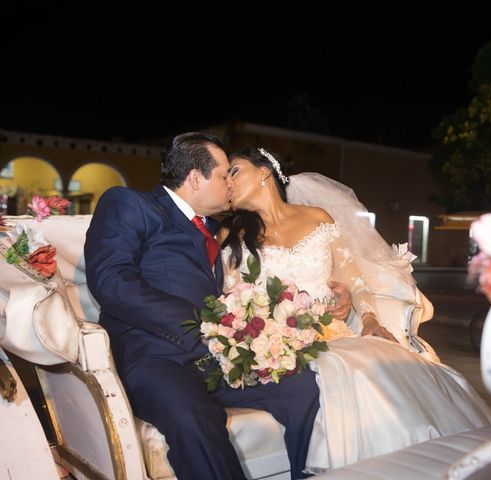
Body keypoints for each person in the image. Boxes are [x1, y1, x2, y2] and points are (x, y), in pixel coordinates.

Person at [84, 133, 350, 480]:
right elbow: (110, 280)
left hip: (219, 359)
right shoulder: (131, 204)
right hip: (155, 357)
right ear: (196, 178)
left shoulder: (219, 230)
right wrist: (204, 324)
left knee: (304, 389)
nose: (230, 185)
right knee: (195, 417)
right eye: (225, 175)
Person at [220, 146, 491, 473]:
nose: (228, 182)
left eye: (234, 171)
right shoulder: (233, 235)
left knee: (390, 368)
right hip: (285, 348)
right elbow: (233, 301)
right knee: (349, 377)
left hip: (335, 333)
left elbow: (353, 279)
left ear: (264, 172)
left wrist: (366, 316)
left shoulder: (319, 219)